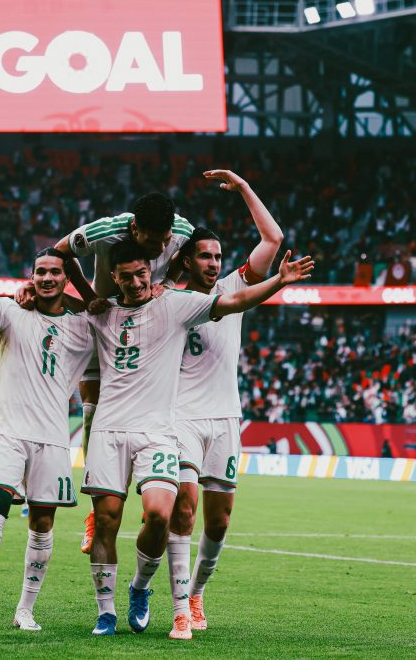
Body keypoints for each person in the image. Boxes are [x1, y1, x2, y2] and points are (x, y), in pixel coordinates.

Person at [83, 240, 314, 637]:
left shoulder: (177, 303)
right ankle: (137, 611)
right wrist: (33, 293)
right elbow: (54, 317)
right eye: (128, 276)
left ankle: (161, 590)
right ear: (115, 279)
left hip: (193, 423)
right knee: (145, 515)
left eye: (143, 274)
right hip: (143, 425)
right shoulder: (110, 312)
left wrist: (279, 280)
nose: (137, 282)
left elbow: (238, 297)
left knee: (188, 518)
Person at [17, 193, 194, 554]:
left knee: (161, 401)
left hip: (151, 323)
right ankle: (97, 510)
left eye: (164, 240)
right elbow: (59, 252)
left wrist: (171, 279)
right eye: (152, 240)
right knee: (92, 405)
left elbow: (192, 254)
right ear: (134, 229)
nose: (161, 246)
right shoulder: (103, 231)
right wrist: (87, 294)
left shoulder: (182, 231)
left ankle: (154, 484)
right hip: (105, 320)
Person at [0, 232, 94, 631]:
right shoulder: (9, 313)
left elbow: (105, 310)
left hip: (52, 439)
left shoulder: (83, 328)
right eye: (39, 272)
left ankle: (25, 610)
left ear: (65, 278)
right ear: (31, 277)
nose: (46, 278)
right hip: (8, 432)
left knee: (42, 524)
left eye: (54, 272)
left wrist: (77, 297)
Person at [165, 169, 284, 640]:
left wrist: (245, 189)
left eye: (218, 256)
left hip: (225, 419)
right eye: (205, 256)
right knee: (185, 507)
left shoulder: (231, 288)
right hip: (180, 419)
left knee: (220, 519)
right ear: (187, 261)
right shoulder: (166, 300)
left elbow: (273, 239)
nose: (214, 263)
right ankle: (178, 608)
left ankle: (196, 592)